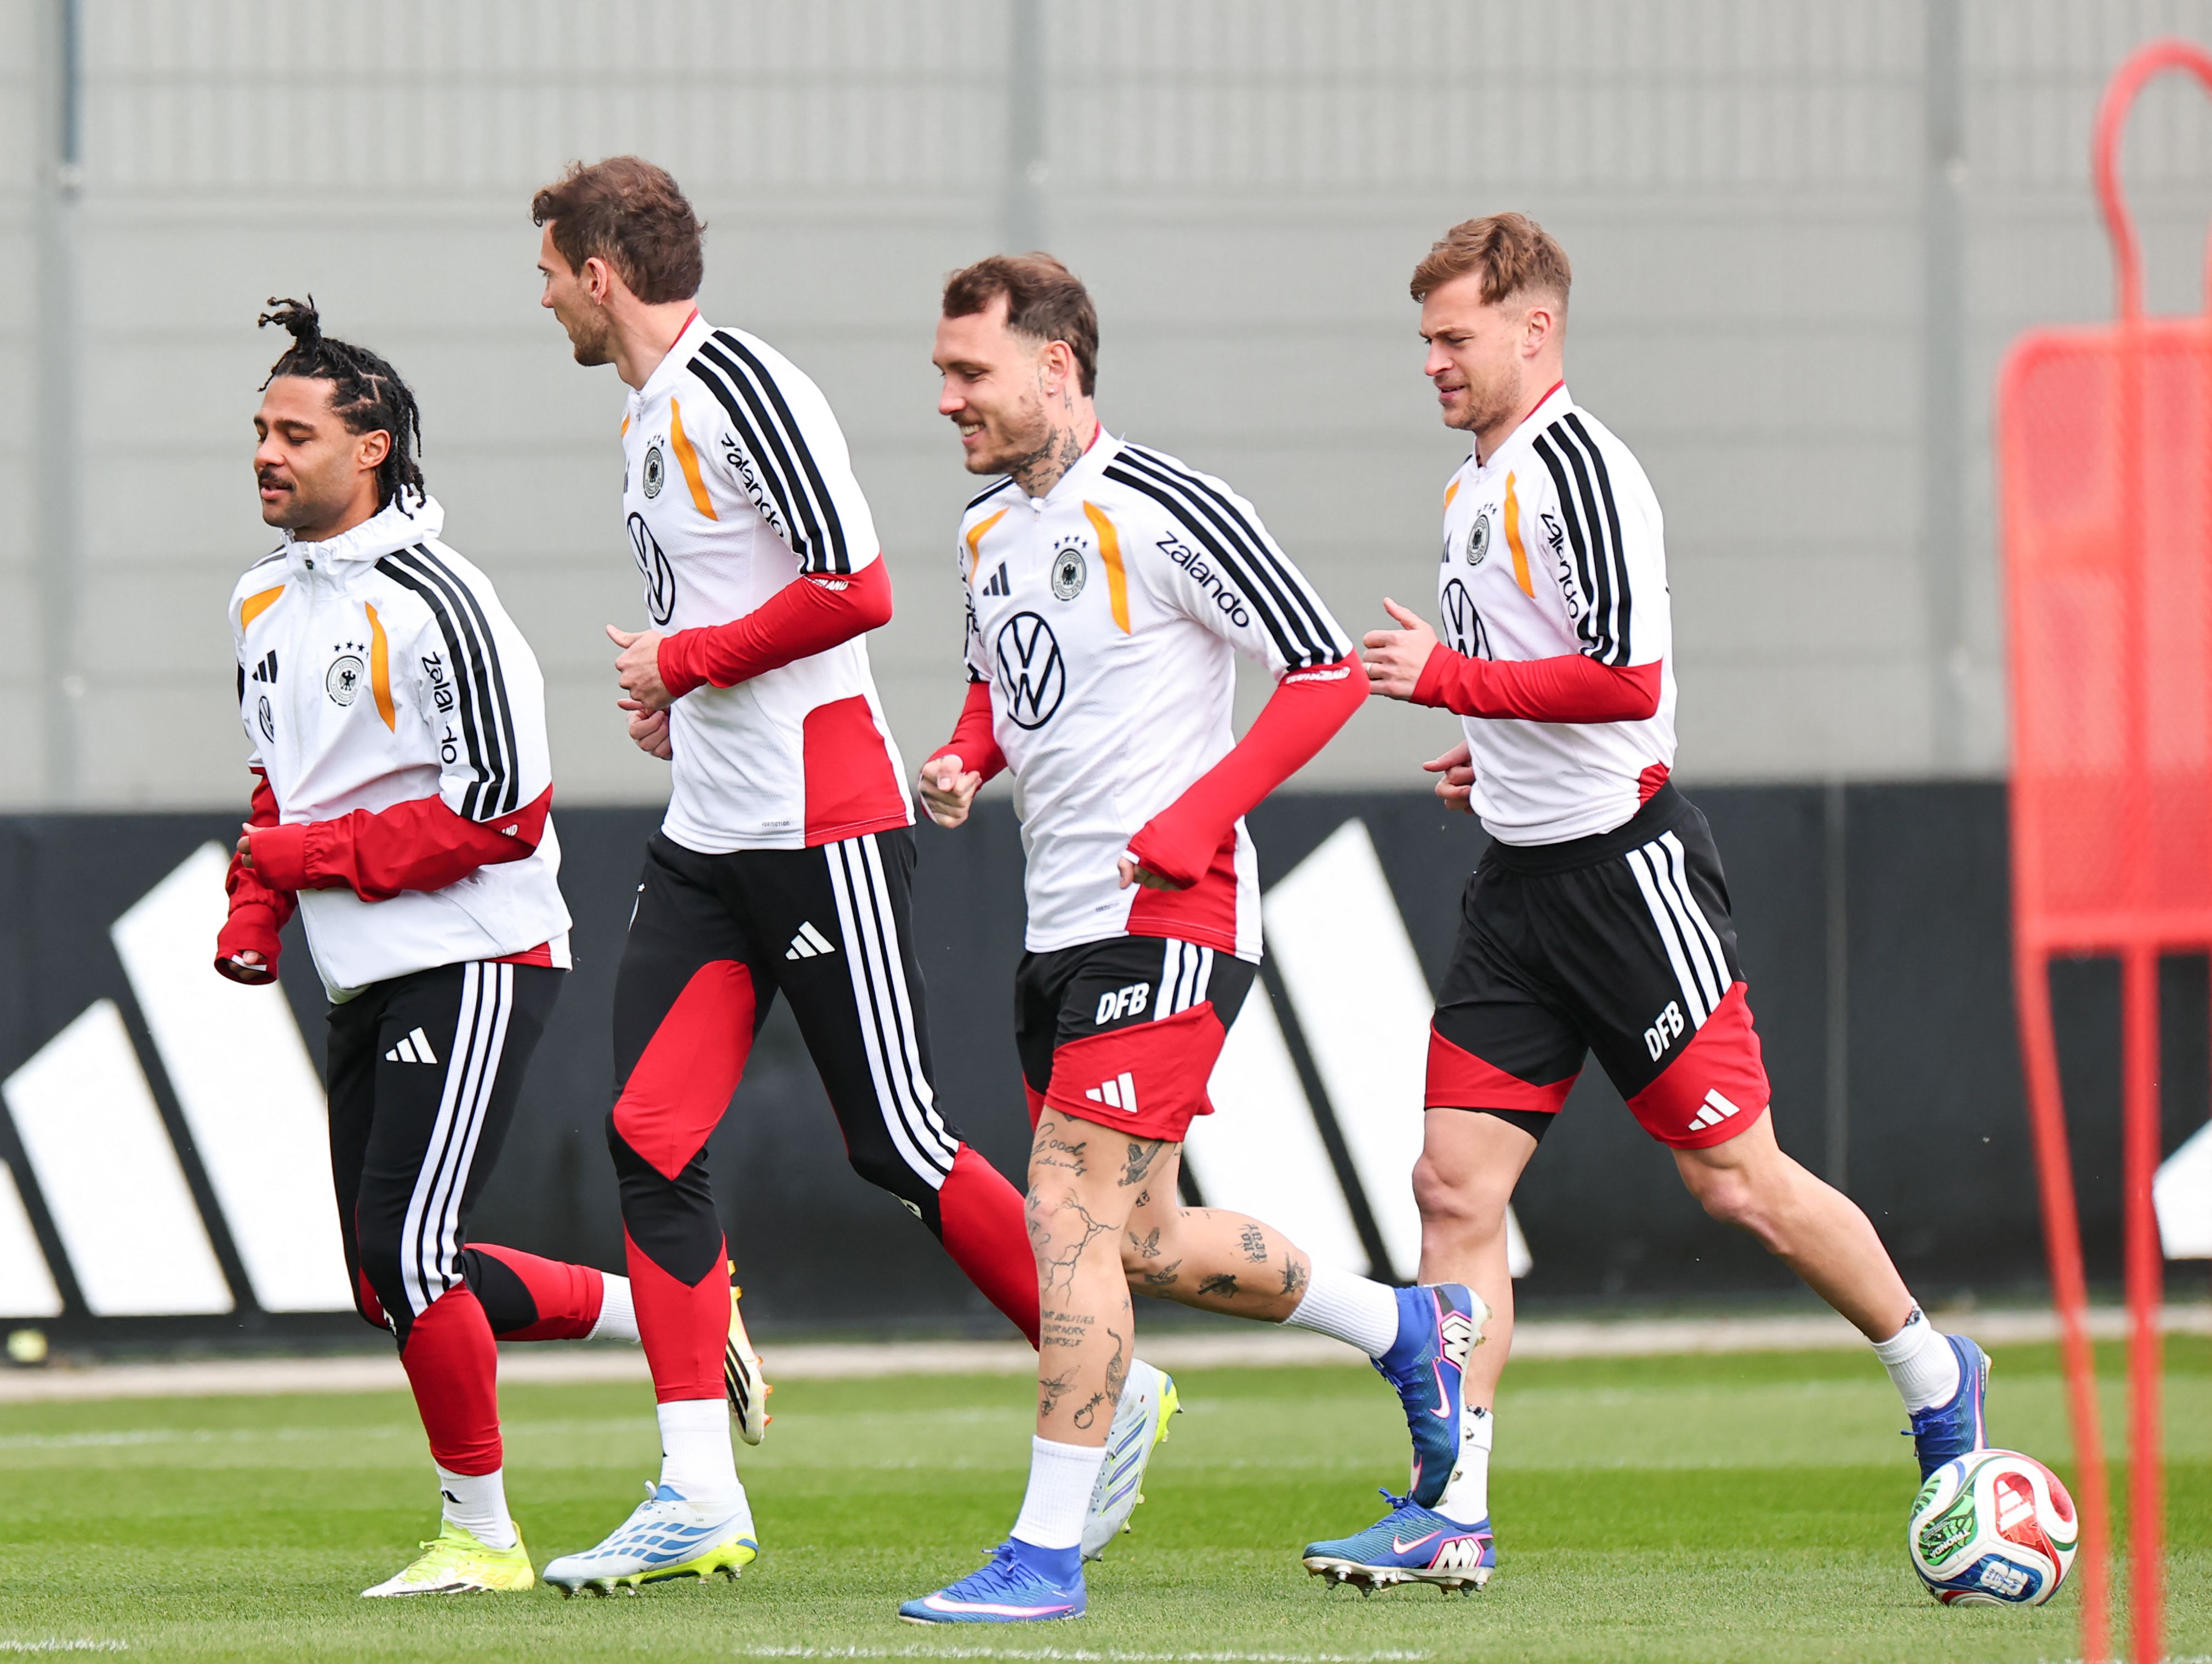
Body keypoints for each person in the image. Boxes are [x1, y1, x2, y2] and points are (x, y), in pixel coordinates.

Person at [522, 159, 1170, 1594]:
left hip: (823, 825)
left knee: (898, 1141)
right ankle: (695, 1488)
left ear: (599, 273)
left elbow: (854, 583)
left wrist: (681, 659)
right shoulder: (646, 411)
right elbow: (751, 604)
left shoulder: (736, 381)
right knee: (648, 1131)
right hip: (711, 833)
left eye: (551, 270)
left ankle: (1106, 1370)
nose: (545, 296)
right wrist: (678, 696)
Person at [1322, 212, 1990, 1591]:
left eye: (1454, 338)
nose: (1433, 364)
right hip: (1516, 886)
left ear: (1534, 327)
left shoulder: (1582, 469)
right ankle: (1455, 1508)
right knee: (1453, 1187)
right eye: (1427, 340)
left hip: (1625, 880)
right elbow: (1547, 678)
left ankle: (1936, 1373)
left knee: (1732, 1179)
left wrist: (1452, 680)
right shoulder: (1474, 484)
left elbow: (1624, 681)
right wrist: (1489, 757)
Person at [899, 255, 1489, 1627]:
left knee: (1065, 1217)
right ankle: (1406, 1328)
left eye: (968, 372)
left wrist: (1196, 816)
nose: (947, 400)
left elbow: (1325, 668)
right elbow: (1004, 680)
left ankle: (1045, 1554)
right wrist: (962, 756)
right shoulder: (989, 531)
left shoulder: (1167, 506)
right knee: (1144, 1238)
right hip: (1062, 925)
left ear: (1056, 366)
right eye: (942, 373)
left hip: (1168, 923)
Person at [216, 299, 766, 1598]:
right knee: (385, 1276)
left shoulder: (441, 602)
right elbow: (275, 787)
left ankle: (482, 1535)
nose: (266, 454)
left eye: (295, 433)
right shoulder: (259, 599)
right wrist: (258, 910)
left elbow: (502, 812)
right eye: (258, 431)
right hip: (361, 964)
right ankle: (664, 1308)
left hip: (475, 952)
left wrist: (307, 864)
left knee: (412, 1253)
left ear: (379, 446)